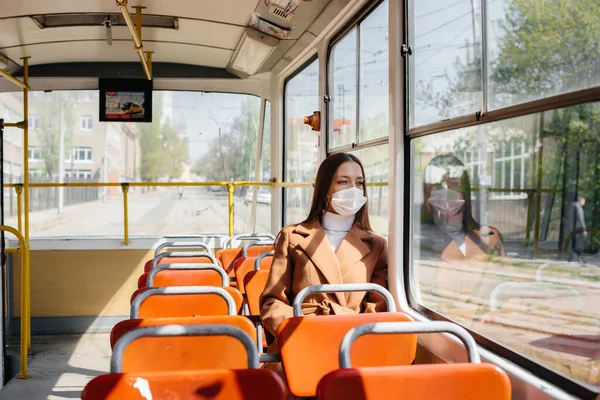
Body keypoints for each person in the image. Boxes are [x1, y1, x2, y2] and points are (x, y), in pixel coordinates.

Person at [259, 153, 388, 385]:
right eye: (343, 182)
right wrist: (305, 327)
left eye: (359, 183)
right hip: (299, 344)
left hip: (351, 347)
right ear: (325, 188)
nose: (353, 189)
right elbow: (271, 303)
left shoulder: (377, 245)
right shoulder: (293, 237)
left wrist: (341, 325)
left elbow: (378, 308)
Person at [567, 196, 587, 262]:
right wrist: (584, 229)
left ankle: (570, 257)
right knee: (579, 243)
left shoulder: (571, 207)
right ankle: (579, 258)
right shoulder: (579, 208)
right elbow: (581, 219)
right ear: (580, 201)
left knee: (572, 242)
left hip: (571, 228)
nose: (584, 203)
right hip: (578, 228)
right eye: (583, 201)